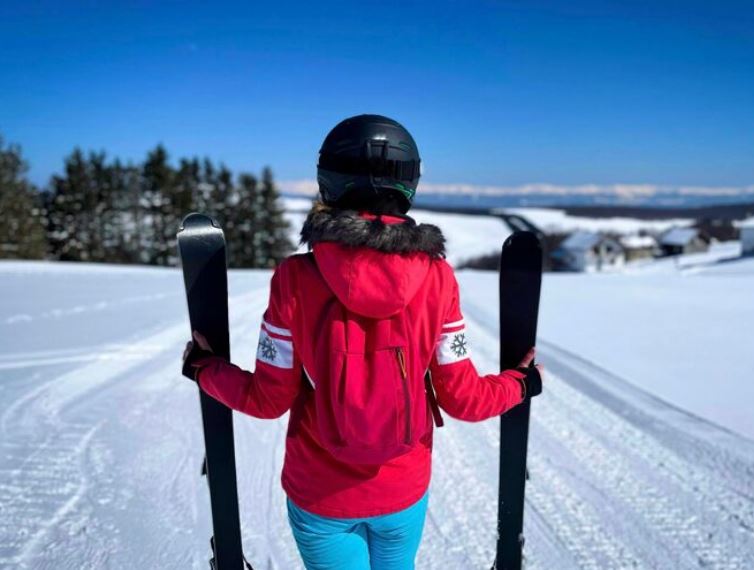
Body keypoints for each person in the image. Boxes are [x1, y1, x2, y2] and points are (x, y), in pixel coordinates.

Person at [182, 114, 544, 570]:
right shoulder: (437, 279)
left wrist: (205, 367)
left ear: (328, 181)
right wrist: (520, 383)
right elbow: (464, 400)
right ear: (409, 181)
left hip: (320, 495)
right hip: (402, 490)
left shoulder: (294, 279)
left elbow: (267, 399)